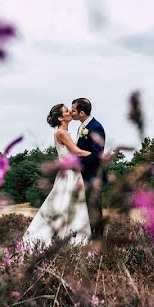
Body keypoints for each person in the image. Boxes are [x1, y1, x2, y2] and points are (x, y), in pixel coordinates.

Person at [22, 103, 91, 248]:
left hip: (72, 172)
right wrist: (97, 156)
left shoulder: (65, 132)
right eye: (67, 111)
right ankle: (60, 240)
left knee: (70, 206)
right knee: (64, 205)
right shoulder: (61, 133)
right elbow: (77, 152)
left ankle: (71, 240)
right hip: (69, 174)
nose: (70, 112)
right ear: (60, 117)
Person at [70, 97, 107, 239]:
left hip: (93, 177)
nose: (71, 112)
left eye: (73, 110)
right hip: (84, 176)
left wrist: (77, 163)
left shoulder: (95, 127)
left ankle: (99, 242)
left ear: (82, 113)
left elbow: (97, 156)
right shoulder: (83, 126)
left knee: (94, 211)